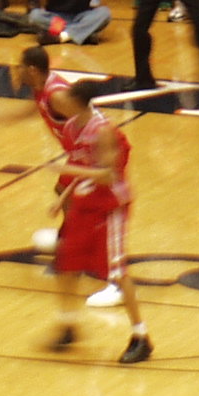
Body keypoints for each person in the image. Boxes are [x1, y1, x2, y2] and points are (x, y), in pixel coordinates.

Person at [30, 65, 154, 365]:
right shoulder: (73, 126)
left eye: (68, 98)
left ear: (78, 101)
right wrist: (62, 197)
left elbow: (108, 175)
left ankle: (141, 336)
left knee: (116, 271)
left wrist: (69, 171)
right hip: (85, 203)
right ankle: (68, 325)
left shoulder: (104, 131)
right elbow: (78, 162)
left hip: (110, 206)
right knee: (66, 263)